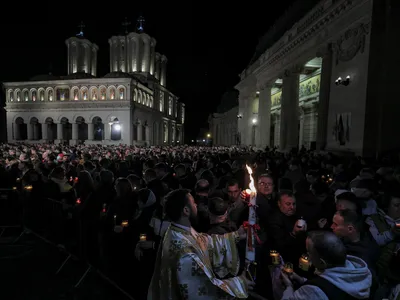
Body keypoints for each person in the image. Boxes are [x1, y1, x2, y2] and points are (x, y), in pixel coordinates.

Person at [148, 189, 253, 299]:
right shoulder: (184, 252)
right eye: (193, 202)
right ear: (186, 210)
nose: (196, 205)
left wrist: (236, 235)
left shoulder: (176, 230)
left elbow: (203, 241)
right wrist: (240, 283)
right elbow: (205, 288)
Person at [280, 231, 372, 300]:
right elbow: (334, 283)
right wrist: (302, 280)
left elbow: (319, 291)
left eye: (309, 252)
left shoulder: (313, 291)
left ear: (322, 263)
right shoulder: (359, 272)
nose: (307, 256)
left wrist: (289, 286)